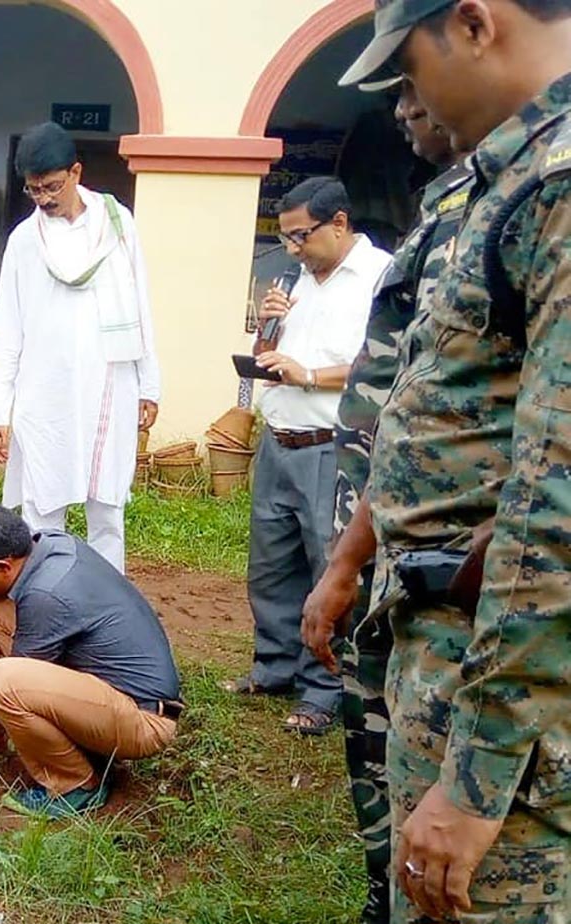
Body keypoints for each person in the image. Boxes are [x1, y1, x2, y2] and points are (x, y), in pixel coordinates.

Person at [339, 0, 571, 919]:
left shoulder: (557, 189)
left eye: (410, 68)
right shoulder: (506, 183)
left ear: (475, 23)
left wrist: (477, 784)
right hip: (453, 648)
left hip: (508, 709)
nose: (408, 100)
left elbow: (557, 504)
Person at [301, 75, 471, 924]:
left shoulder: (538, 202)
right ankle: (382, 883)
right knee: (374, 734)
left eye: (414, 78)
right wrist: (347, 558)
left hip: (472, 584)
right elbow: (398, 407)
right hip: (383, 547)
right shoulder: (449, 213)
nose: (402, 107)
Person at [225, 177, 392, 736]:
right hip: (280, 440)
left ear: (339, 223)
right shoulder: (300, 279)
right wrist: (269, 328)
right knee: (271, 567)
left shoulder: (380, 277)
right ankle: (273, 668)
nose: (294, 248)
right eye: (288, 238)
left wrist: (312, 375)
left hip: (334, 449)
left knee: (329, 567)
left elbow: (385, 364)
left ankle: (322, 690)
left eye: (302, 236)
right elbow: (271, 358)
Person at [0, 504, 182, 819]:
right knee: (0, 613)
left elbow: (9, 683)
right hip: (116, 693)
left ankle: (76, 785)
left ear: (3, 566)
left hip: (143, 722)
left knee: (3, 681)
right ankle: (71, 742)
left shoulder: (47, 595)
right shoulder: (46, 547)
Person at [0, 122, 160, 574]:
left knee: (108, 509)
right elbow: (8, 326)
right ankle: (46, 595)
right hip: (47, 390)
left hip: (109, 384)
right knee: (42, 505)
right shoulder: (25, 240)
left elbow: (140, 303)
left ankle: (109, 605)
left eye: (52, 186)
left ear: (76, 172)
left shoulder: (118, 225)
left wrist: (148, 385)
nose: (43, 198)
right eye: (33, 190)